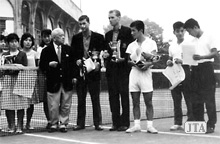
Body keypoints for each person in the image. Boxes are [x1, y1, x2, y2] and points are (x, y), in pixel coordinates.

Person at [184, 18, 218, 133]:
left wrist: (202, 57)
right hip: (195, 70)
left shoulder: (209, 37)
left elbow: (215, 52)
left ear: (195, 27)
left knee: (209, 99)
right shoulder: (192, 42)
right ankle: (199, 123)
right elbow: (189, 58)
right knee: (195, 99)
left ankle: (211, 124)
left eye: (189, 31)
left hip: (206, 68)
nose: (189, 34)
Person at [71, 15, 104, 131]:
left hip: (94, 72)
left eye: (84, 23)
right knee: (81, 99)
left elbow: (103, 54)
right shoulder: (75, 38)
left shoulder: (99, 37)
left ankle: (98, 123)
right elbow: (73, 55)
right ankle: (80, 123)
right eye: (80, 24)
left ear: (89, 23)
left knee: (95, 99)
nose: (82, 26)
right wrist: (77, 61)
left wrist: (99, 63)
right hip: (81, 73)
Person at [125, 20, 158, 134]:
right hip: (134, 74)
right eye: (131, 30)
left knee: (148, 101)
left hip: (146, 74)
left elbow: (155, 59)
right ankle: (136, 125)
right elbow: (129, 61)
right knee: (135, 101)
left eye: (134, 30)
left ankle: (150, 126)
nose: (132, 33)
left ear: (140, 30)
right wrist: (136, 64)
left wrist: (148, 64)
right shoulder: (131, 45)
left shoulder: (151, 43)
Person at [39, 28, 75, 133]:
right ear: (54, 38)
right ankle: (53, 123)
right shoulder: (46, 50)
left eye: (63, 35)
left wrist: (74, 77)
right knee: (53, 105)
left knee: (66, 105)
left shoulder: (68, 49)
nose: (63, 37)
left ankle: (63, 124)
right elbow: (42, 66)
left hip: (67, 82)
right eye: (60, 36)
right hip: (53, 82)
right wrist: (49, 65)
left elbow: (73, 65)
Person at [103, 9, 133, 131]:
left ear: (119, 18)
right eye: (109, 18)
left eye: (112, 17)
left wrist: (123, 59)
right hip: (111, 70)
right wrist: (105, 55)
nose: (110, 20)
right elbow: (106, 51)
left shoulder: (127, 32)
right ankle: (115, 123)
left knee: (124, 96)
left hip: (123, 70)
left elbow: (130, 50)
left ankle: (125, 123)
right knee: (113, 97)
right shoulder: (108, 35)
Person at [166, 21, 194, 131]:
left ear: (185, 31)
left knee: (189, 99)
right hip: (174, 73)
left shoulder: (189, 44)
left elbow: (192, 61)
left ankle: (190, 122)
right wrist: (169, 62)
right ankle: (177, 122)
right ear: (174, 32)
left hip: (186, 72)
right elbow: (169, 58)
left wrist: (182, 61)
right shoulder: (172, 46)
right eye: (178, 31)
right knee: (176, 100)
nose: (180, 33)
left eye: (182, 31)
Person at [2, 33, 28, 133]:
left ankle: (20, 126)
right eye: (11, 42)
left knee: (20, 105)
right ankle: (11, 125)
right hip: (8, 80)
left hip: (20, 80)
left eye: (15, 41)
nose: (14, 43)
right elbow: (2, 68)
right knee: (8, 105)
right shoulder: (4, 55)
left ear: (18, 42)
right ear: (8, 43)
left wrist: (16, 65)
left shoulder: (22, 54)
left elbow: (25, 67)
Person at [20, 33, 40, 130]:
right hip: (21, 81)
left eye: (30, 40)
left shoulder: (35, 53)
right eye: (26, 40)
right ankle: (20, 124)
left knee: (30, 104)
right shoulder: (19, 53)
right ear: (22, 41)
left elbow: (38, 66)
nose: (28, 42)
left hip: (32, 80)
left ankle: (28, 123)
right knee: (21, 103)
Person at [37, 29, 52, 129]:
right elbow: (39, 64)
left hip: (54, 77)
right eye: (45, 36)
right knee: (46, 100)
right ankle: (49, 120)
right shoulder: (39, 49)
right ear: (42, 38)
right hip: (43, 76)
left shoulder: (56, 47)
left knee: (55, 100)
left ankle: (57, 119)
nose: (47, 38)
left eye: (48, 36)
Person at [0, 34, 7, 131]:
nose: (3, 43)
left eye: (4, 42)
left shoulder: (5, 54)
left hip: (2, 82)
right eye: (1, 41)